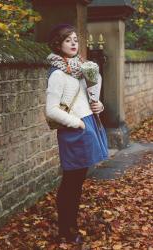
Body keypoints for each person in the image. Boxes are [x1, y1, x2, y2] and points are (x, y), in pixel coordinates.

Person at [45, 24, 108, 244]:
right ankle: (66, 229)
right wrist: (78, 124)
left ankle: (71, 224)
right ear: (58, 44)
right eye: (67, 40)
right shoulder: (57, 75)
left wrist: (98, 105)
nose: (73, 43)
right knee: (71, 182)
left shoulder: (81, 68)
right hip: (74, 130)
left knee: (78, 180)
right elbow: (51, 110)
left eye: (75, 39)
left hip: (88, 124)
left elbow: (87, 98)